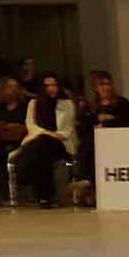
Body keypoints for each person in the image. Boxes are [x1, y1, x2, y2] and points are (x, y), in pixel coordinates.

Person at [13, 73, 77, 208]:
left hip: (60, 143)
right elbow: (30, 125)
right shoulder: (34, 103)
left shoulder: (67, 104)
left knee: (39, 148)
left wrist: (50, 135)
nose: (51, 88)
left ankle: (23, 175)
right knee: (42, 154)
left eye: (54, 85)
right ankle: (45, 198)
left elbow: (66, 129)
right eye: (47, 85)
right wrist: (46, 133)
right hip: (40, 140)